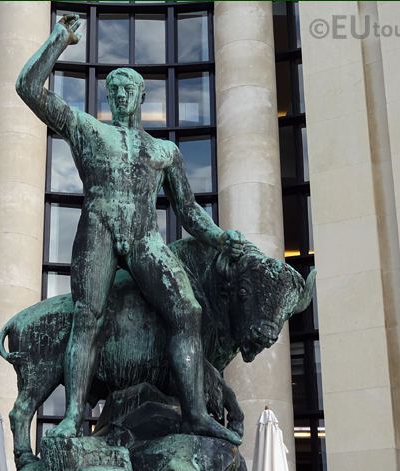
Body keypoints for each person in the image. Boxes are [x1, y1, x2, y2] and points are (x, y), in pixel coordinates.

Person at [16, 14, 243, 445]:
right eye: (114, 89)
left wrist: (218, 237)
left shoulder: (164, 151)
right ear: (108, 96)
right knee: (88, 318)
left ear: (141, 97)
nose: (121, 94)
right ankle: (72, 417)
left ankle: (195, 413)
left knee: (188, 312)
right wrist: (58, 40)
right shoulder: (88, 130)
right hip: (98, 229)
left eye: (129, 89)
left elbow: (189, 210)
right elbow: (27, 88)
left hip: (144, 239)